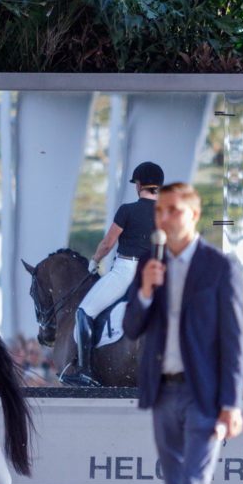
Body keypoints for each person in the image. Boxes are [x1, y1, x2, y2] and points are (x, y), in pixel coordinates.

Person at [122, 182, 243, 484]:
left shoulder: (220, 267)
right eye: (161, 212)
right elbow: (132, 327)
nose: (165, 218)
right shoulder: (150, 263)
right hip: (162, 392)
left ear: (193, 215)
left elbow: (233, 342)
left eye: (174, 211)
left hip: (205, 396)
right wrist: (144, 293)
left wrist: (232, 404)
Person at [65, 160, 164, 386]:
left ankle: (85, 371)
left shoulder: (127, 210)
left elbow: (108, 243)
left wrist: (95, 260)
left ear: (139, 185)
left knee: (83, 312)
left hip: (126, 271)